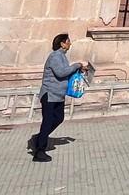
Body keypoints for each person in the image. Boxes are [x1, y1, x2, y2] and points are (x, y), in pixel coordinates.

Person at [29, 33, 86, 163]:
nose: (70, 44)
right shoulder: (55, 56)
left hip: (58, 95)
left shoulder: (62, 56)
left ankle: (40, 138)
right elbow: (61, 72)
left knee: (59, 118)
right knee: (48, 121)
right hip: (49, 94)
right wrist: (77, 65)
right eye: (68, 41)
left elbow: (65, 72)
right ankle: (39, 151)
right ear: (62, 43)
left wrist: (79, 69)